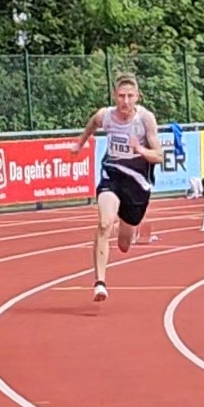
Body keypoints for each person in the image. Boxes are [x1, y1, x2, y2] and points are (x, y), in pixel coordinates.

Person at [73, 74, 164, 302]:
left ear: (137, 97)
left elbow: (159, 156)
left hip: (137, 184)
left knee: (124, 244)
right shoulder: (106, 116)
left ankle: (129, 227)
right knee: (104, 224)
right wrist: (79, 144)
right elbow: (92, 125)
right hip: (112, 175)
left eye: (130, 96)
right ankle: (100, 282)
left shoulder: (145, 120)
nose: (125, 101)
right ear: (114, 95)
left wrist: (140, 150)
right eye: (121, 96)